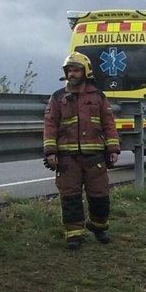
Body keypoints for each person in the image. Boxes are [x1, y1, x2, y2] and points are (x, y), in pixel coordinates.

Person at [43, 52, 120, 250]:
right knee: (70, 196)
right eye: (69, 70)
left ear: (85, 72)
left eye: (76, 70)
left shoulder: (98, 96)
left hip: (95, 156)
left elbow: (108, 123)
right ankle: (74, 234)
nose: (72, 74)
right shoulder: (58, 97)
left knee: (100, 196)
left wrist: (113, 148)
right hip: (68, 158)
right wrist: (50, 151)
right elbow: (50, 125)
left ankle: (98, 226)